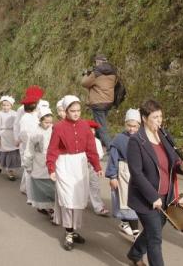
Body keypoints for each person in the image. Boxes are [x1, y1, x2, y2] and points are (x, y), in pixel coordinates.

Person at [125, 100, 183, 266]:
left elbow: (173, 162)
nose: (159, 120)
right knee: (155, 238)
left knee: (152, 231)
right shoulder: (136, 141)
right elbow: (137, 173)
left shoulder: (164, 135)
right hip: (145, 198)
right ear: (145, 118)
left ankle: (135, 253)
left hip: (166, 196)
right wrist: (153, 196)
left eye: (160, 116)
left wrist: (182, 168)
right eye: (155, 117)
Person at [46, 95, 102, 251]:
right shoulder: (58, 127)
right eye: (73, 111)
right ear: (66, 111)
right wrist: (51, 168)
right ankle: (68, 232)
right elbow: (52, 149)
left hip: (80, 164)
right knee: (67, 198)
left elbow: (91, 148)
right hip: (64, 164)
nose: (76, 113)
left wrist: (97, 166)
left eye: (78, 110)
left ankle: (73, 230)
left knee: (77, 200)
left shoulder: (85, 126)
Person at [106, 108, 142, 241]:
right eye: (129, 125)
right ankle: (136, 233)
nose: (132, 129)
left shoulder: (142, 138)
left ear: (139, 125)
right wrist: (113, 176)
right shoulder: (119, 139)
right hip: (124, 173)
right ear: (125, 124)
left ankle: (125, 222)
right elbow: (113, 159)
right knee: (127, 202)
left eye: (135, 126)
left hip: (137, 174)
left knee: (137, 202)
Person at [23, 106, 56, 216]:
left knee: (52, 186)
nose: (48, 125)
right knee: (42, 187)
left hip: (52, 161)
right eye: (46, 122)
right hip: (39, 162)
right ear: (40, 120)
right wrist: (28, 165)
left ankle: (52, 208)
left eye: (50, 122)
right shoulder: (34, 133)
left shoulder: (54, 130)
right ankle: (47, 208)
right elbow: (29, 150)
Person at [80, 54, 117, 149]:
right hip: (109, 101)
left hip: (98, 102)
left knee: (101, 127)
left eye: (96, 62)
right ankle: (96, 144)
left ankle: (111, 147)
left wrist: (85, 74)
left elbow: (84, 83)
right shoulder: (113, 71)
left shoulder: (96, 73)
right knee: (100, 124)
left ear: (98, 62)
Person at [18, 86, 43, 203]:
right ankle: (30, 193)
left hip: (33, 145)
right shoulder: (25, 118)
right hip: (29, 146)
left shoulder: (34, 116)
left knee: (28, 168)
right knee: (29, 170)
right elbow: (24, 134)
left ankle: (24, 187)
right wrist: (30, 144)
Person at [86, 120, 110, 216]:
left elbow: (100, 154)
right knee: (81, 185)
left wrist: (94, 162)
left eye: (93, 129)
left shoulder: (97, 141)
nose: (92, 131)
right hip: (81, 166)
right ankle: (80, 202)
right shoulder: (80, 140)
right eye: (89, 129)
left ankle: (99, 207)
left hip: (93, 166)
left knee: (95, 186)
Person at [0, 95, 20, 181]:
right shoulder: (0, 114)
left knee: (12, 153)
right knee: (2, 152)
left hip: (12, 135)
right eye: (3, 105)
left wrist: (18, 136)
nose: (5, 107)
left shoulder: (15, 114)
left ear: (11, 105)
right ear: (1, 105)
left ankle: (10, 170)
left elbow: (17, 125)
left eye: (7, 105)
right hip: (3, 135)